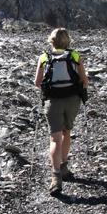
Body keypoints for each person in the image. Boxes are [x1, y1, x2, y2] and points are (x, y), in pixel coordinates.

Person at [34, 28, 89, 195]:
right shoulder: (75, 56)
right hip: (72, 100)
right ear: (68, 41)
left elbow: (37, 82)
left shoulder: (44, 57)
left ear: (51, 41)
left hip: (53, 102)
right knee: (67, 132)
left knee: (55, 138)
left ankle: (56, 176)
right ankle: (64, 166)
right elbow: (84, 81)